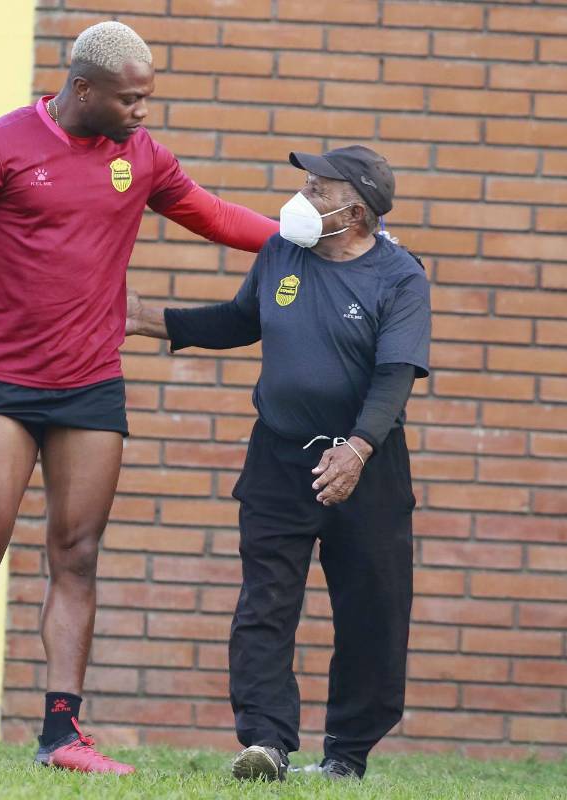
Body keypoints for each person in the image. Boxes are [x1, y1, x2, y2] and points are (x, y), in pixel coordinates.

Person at [0, 21, 277, 774]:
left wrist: (310, 240)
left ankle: (62, 733)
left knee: (78, 554)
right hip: (4, 382)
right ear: (84, 88)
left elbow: (216, 216)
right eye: (131, 99)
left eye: (148, 99)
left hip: (92, 381)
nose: (142, 112)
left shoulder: (142, 158)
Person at [126, 145, 430, 782]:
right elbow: (241, 320)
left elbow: (395, 374)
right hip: (279, 456)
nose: (303, 198)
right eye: (307, 184)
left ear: (359, 210)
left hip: (366, 464)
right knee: (265, 600)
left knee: (371, 609)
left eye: (320, 189)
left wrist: (358, 449)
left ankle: (347, 752)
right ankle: (265, 741)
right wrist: (145, 319)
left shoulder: (400, 277)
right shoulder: (281, 254)